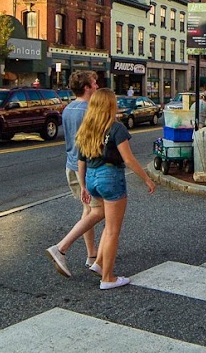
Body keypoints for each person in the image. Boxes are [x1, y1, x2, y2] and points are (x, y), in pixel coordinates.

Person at [47, 88, 156, 290]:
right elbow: (129, 159)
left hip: (91, 177)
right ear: (110, 105)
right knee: (113, 229)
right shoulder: (116, 128)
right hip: (111, 177)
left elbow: (81, 160)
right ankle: (108, 277)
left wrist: (83, 186)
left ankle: (83, 257)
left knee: (100, 215)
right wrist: (147, 179)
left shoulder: (87, 128)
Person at [45, 71, 103, 279]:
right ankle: (61, 248)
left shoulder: (68, 109)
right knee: (98, 211)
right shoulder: (90, 110)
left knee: (88, 210)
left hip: (71, 165)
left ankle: (91, 255)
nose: (97, 86)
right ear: (86, 87)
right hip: (87, 168)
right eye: (94, 83)